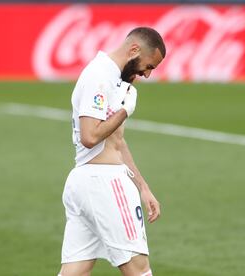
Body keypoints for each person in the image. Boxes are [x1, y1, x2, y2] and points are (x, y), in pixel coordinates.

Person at [59, 27, 166, 276]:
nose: (147, 75)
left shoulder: (113, 78)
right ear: (134, 50)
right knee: (139, 269)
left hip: (86, 183)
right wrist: (125, 111)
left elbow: (117, 142)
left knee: (75, 271)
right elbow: (90, 136)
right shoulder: (100, 76)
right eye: (149, 66)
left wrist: (143, 186)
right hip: (104, 184)